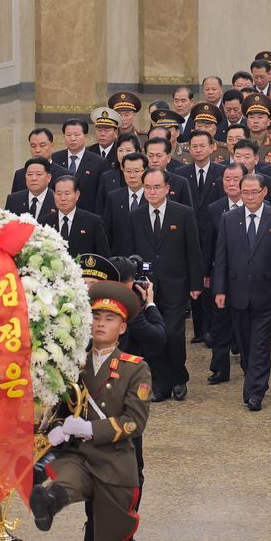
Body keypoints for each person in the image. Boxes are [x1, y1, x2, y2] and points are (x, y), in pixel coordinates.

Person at [30, 281, 150, 541]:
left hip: (115, 465)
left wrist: (91, 428)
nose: (100, 323)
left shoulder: (135, 369)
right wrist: (54, 429)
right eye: (96, 316)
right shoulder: (73, 363)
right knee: (66, 476)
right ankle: (50, 501)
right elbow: (58, 404)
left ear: (122, 327)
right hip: (80, 456)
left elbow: (134, 423)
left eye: (109, 318)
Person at [116, 169, 203, 401]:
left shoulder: (183, 213)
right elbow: (130, 252)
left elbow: (193, 251)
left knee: (173, 334)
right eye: (147, 187)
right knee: (153, 336)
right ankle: (160, 383)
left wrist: (195, 284)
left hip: (176, 284)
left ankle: (179, 379)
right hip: (146, 287)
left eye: (156, 187)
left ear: (167, 189)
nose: (152, 192)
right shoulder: (135, 216)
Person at [212, 174, 271, 411]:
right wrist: (219, 289)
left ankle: (256, 391)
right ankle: (252, 375)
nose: (249, 197)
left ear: (264, 192)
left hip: (267, 292)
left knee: (260, 344)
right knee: (245, 344)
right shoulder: (228, 218)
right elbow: (221, 257)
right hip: (237, 292)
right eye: (244, 192)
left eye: (254, 192)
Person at [52, 174, 110, 257]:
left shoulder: (93, 222)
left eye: (67, 194)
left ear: (77, 194)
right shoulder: (44, 223)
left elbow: (103, 256)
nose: (63, 198)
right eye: (58, 194)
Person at [5, 157, 58, 226]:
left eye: (38, 174)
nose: (33, 178)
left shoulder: (57, 199)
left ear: (48, 178)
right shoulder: (13, 200)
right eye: (29, 174)